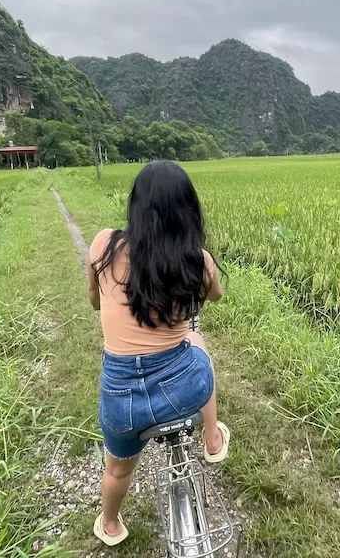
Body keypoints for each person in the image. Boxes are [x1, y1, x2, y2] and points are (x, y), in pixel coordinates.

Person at [87, 160, 230, 546]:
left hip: (122, 403)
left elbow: (95, 301)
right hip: (184, 391)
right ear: (189, 211)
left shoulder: (103, 244)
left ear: (136, 206)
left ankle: (111, 525)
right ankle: (212, 439)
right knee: (197, 343)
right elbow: (215, 295)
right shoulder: (196, 261)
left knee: (117, 470)